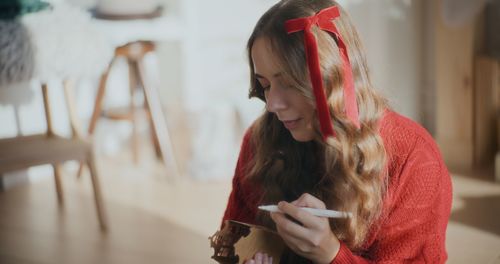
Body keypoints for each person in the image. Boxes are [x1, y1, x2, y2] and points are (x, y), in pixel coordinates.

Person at [221, 0, 452, 263]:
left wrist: (332, 254)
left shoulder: (413, 157)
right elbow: (232, 245)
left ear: (335, 77)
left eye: (287, 83)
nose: (272, 104)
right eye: (264, 85)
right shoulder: (261, 141)